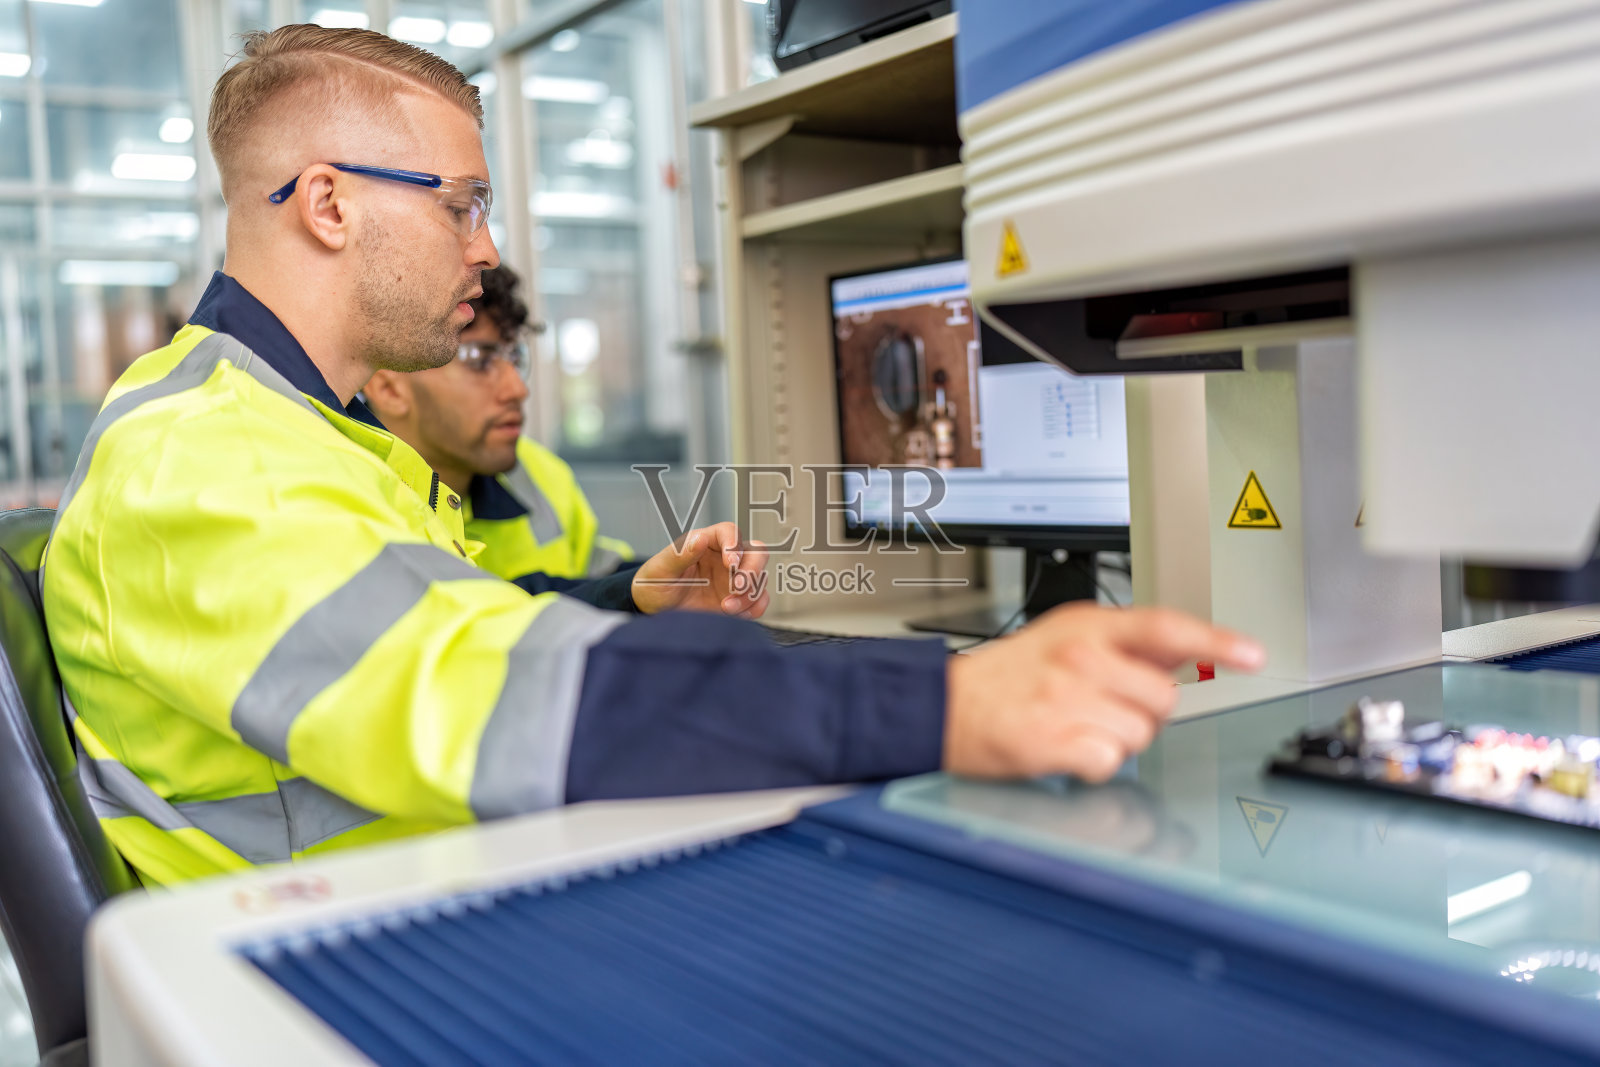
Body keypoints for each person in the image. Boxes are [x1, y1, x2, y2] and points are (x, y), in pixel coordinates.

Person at [41, 25, 1264, 886]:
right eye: (461, 203)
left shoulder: (301, 427)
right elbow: (494, 702)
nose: (484, 247)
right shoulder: (205, 460)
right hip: (335, 958)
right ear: (328, 204)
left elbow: (423, 639)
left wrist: (615, 594)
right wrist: (954, 698)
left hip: (427, 880)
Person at [362, 265, 639, 590]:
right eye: (479, 360)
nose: (517, 389)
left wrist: (681, 577)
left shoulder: (538, 472)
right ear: (389, 389)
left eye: (514, 357)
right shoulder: (348, 494)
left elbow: (599, 572)